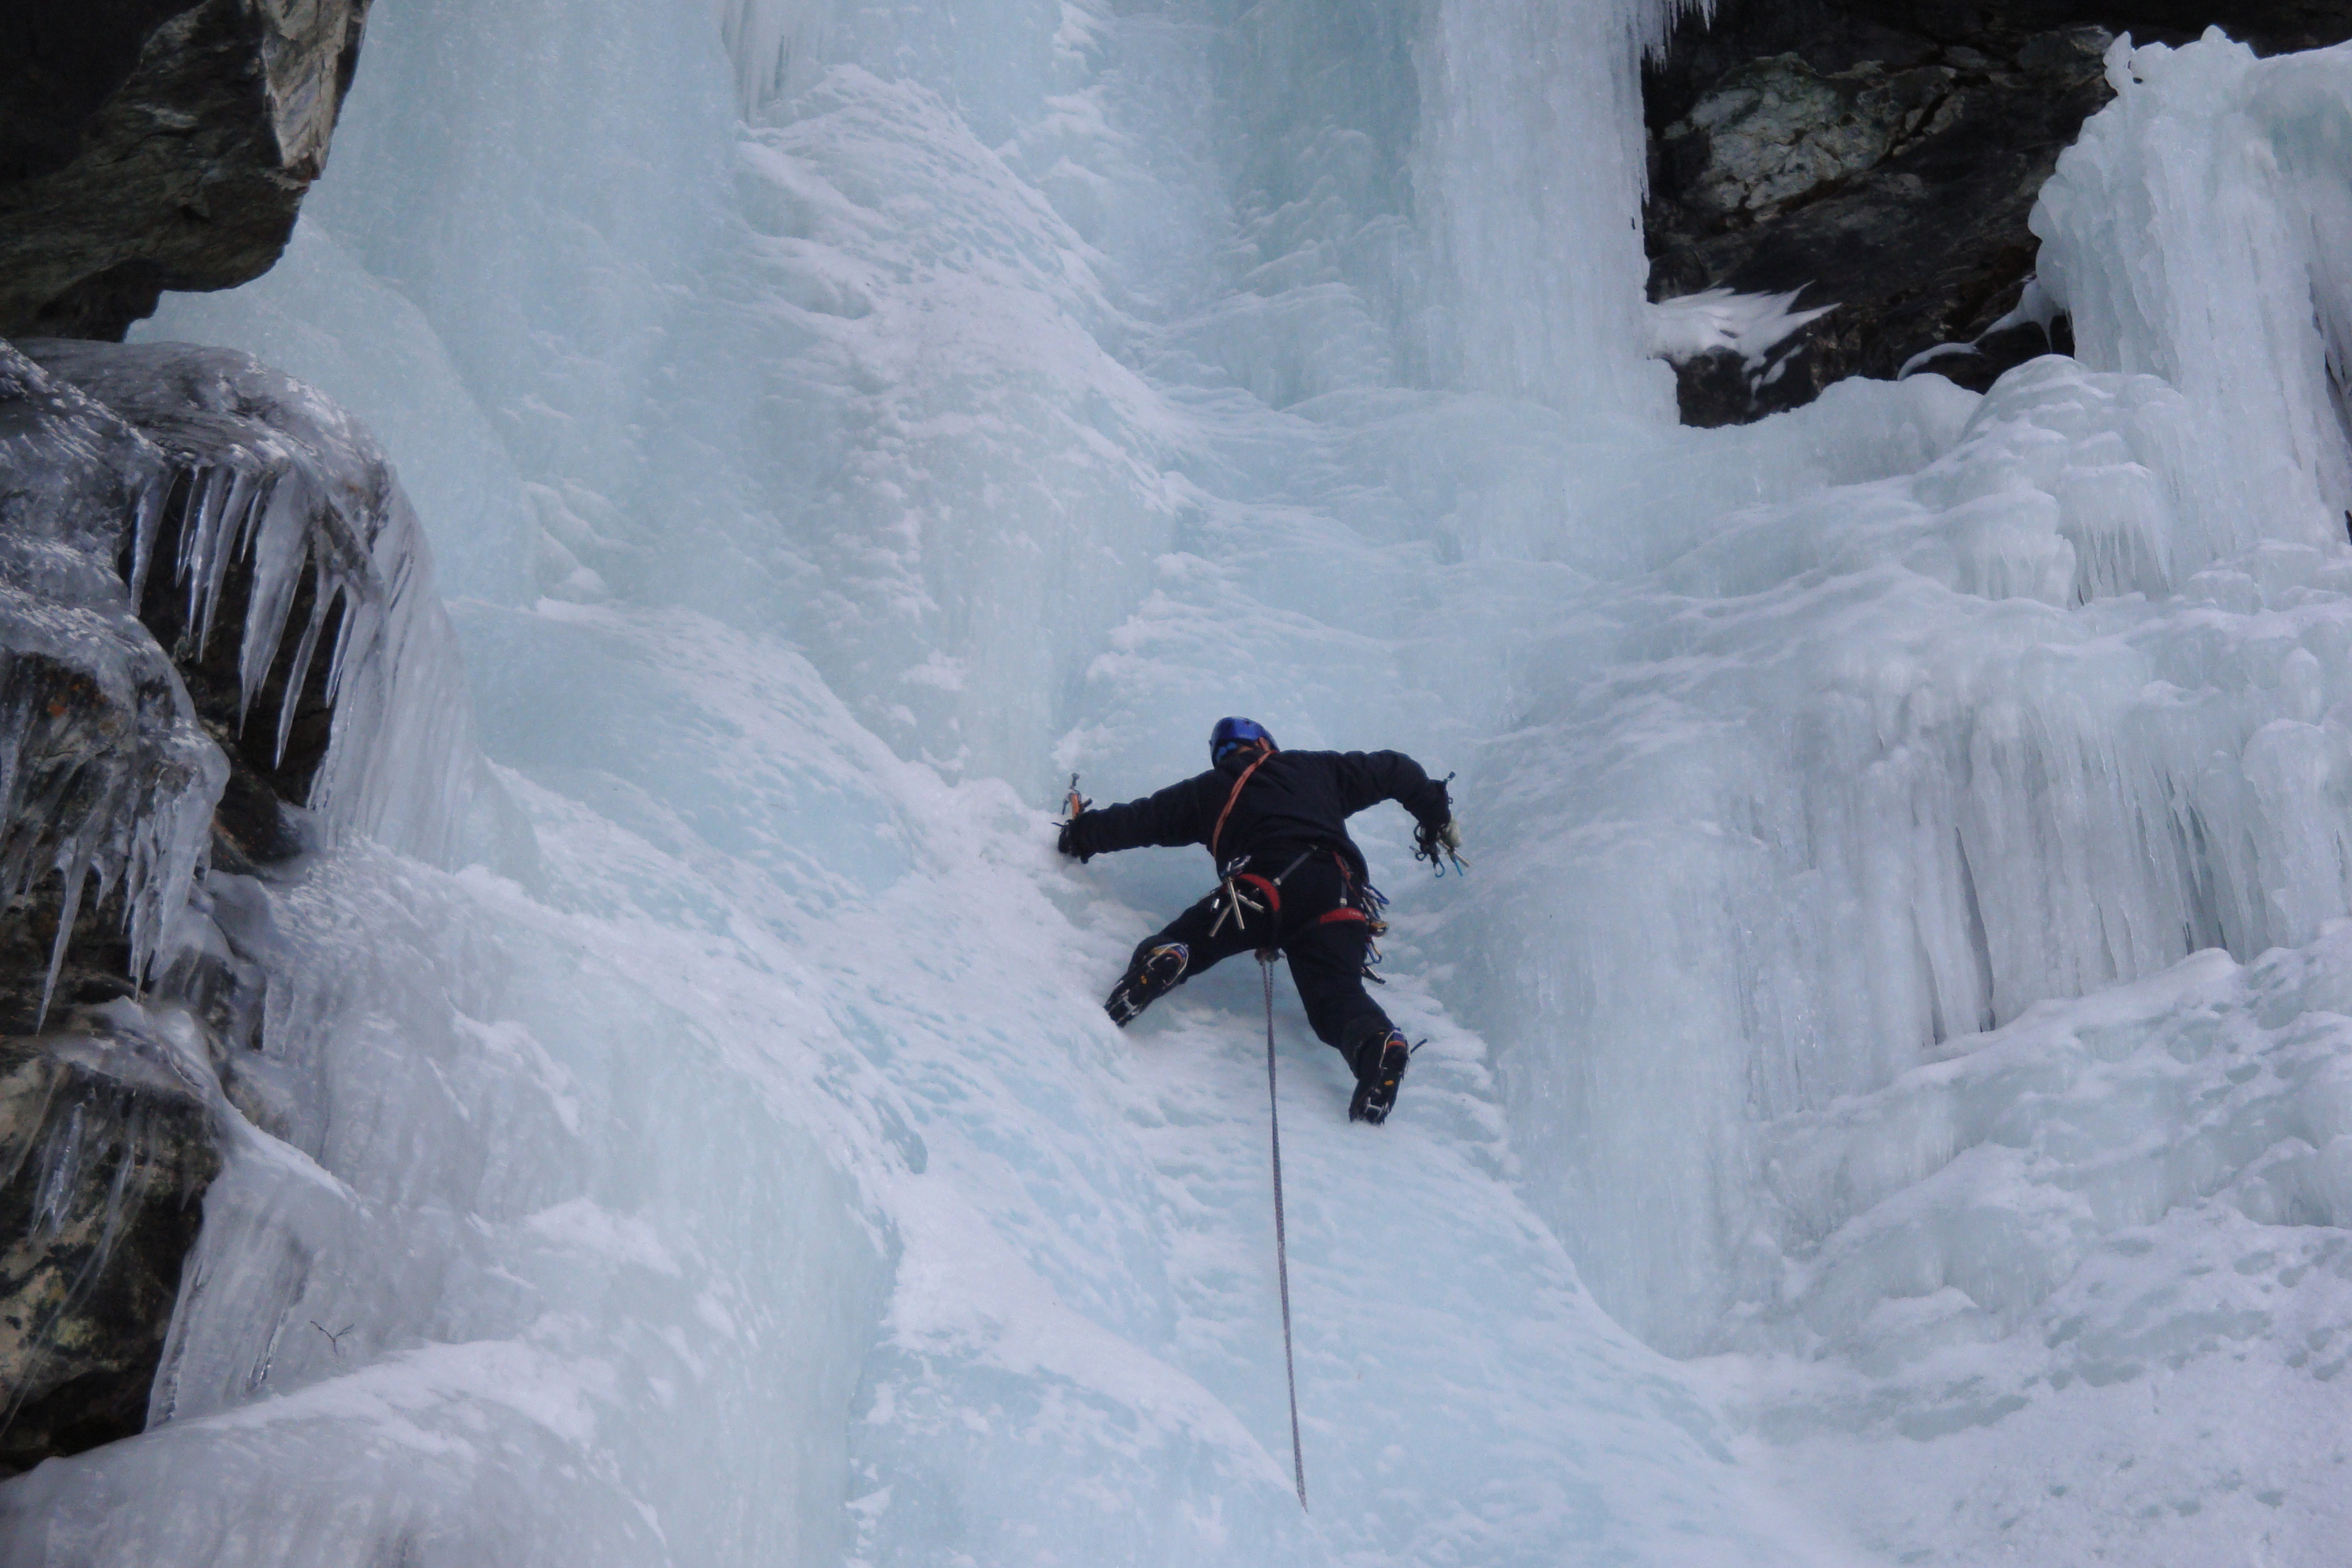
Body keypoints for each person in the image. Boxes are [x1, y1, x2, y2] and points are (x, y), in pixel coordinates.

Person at [1056, 717, 1464, 1124]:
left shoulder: (1210, 789)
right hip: (1338, 894)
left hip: (1260, 885)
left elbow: (1139, 820)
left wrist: (1080, 834)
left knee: (1196, 936)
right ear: (1267, 743)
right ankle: (1376, 1044)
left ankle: (1170, 954)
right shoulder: (1318, 769)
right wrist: (1436, 816)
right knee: (1335, 998)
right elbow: (1396, 770)